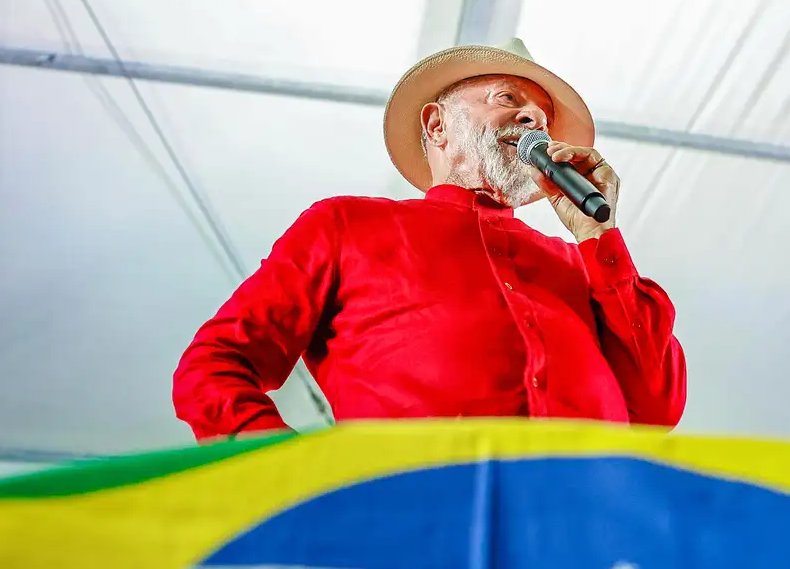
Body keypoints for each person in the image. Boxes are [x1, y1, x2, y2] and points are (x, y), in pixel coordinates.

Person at [173, 39, 687, 440]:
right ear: (437, 125)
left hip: (584, 530)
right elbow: (215, 365)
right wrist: (297, 480)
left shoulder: (585, 268)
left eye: (544, 117)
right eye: (508, 98)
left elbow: (656, 409)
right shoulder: (346, 225)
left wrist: (599, 238)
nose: (534, 119)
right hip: (412, 526)